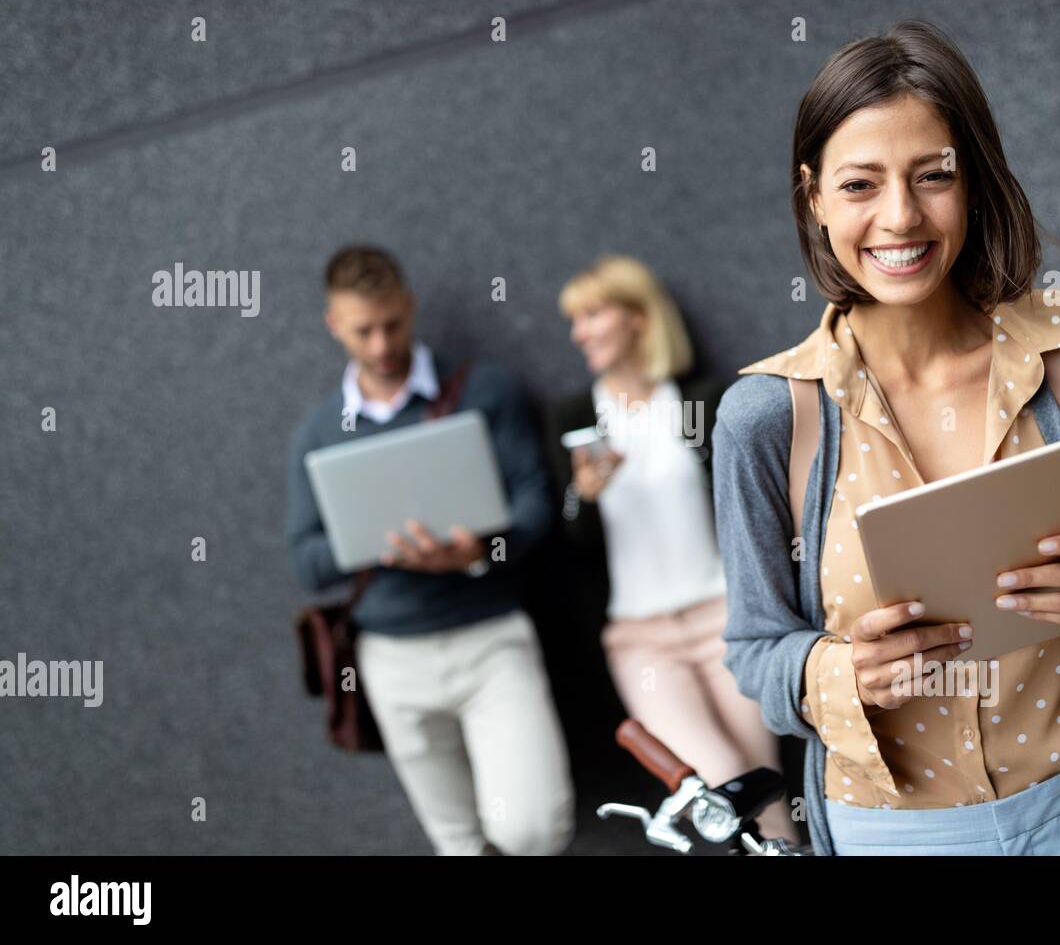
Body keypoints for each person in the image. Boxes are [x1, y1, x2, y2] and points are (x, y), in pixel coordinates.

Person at [711, 21, 1060, 856]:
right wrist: (836, 674)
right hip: (891, 835)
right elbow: (756, 650)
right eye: (860, 185)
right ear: (813, 198)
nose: (900, 217)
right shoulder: (763, 418)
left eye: (932, 176)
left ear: (972, 180)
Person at [286, 245, 574, 855]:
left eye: (391, 323)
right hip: (391, 658)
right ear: (334, 325)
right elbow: (306, 562)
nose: (382, 343)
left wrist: (475, 551)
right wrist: (374, 540)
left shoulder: (484, 387)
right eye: (363, 330)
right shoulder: (316, 432)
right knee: (457, 843)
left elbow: (537, 508)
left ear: (410, 307)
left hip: (491, 638)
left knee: (531, 829)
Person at [546, 254, 800, 844]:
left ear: (637, 318)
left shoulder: (701, 400)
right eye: (573, 320)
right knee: (719, 786)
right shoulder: (576, 416)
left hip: (726, 623)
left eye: (591, 314)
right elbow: (567, 535)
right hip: (642, 639)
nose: (578, 332)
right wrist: (580, 496)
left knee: (762, 787)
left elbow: (752, 505)